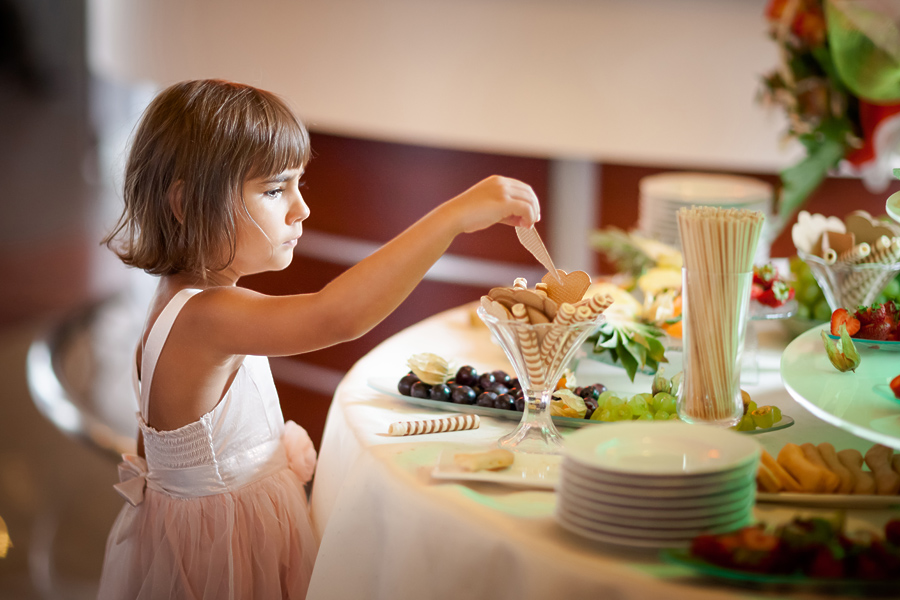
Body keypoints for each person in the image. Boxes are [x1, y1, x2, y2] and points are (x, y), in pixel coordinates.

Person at [97, 79, 540, 599]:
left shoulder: (177, 300)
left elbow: (154, 451)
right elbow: (336, 316)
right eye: (274, 190)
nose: (301, 209)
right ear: (186, 202)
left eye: (297, 184)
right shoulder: (206, 317)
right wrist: (452, 218)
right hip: (226, 561)